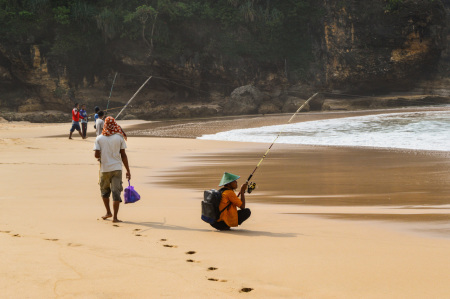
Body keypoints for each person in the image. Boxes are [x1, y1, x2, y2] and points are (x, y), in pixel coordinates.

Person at [93, 116, 130, 223]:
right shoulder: (119, 137)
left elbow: (96, 155)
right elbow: (123, 155)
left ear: (105, 125)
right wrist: (128, 170)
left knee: (104, 192)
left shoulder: (99, 138)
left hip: (105, 169)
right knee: (116, 193)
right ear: (115, 124)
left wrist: (102, 155)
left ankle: (108, 212)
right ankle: (115, 218)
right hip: (117, 169)